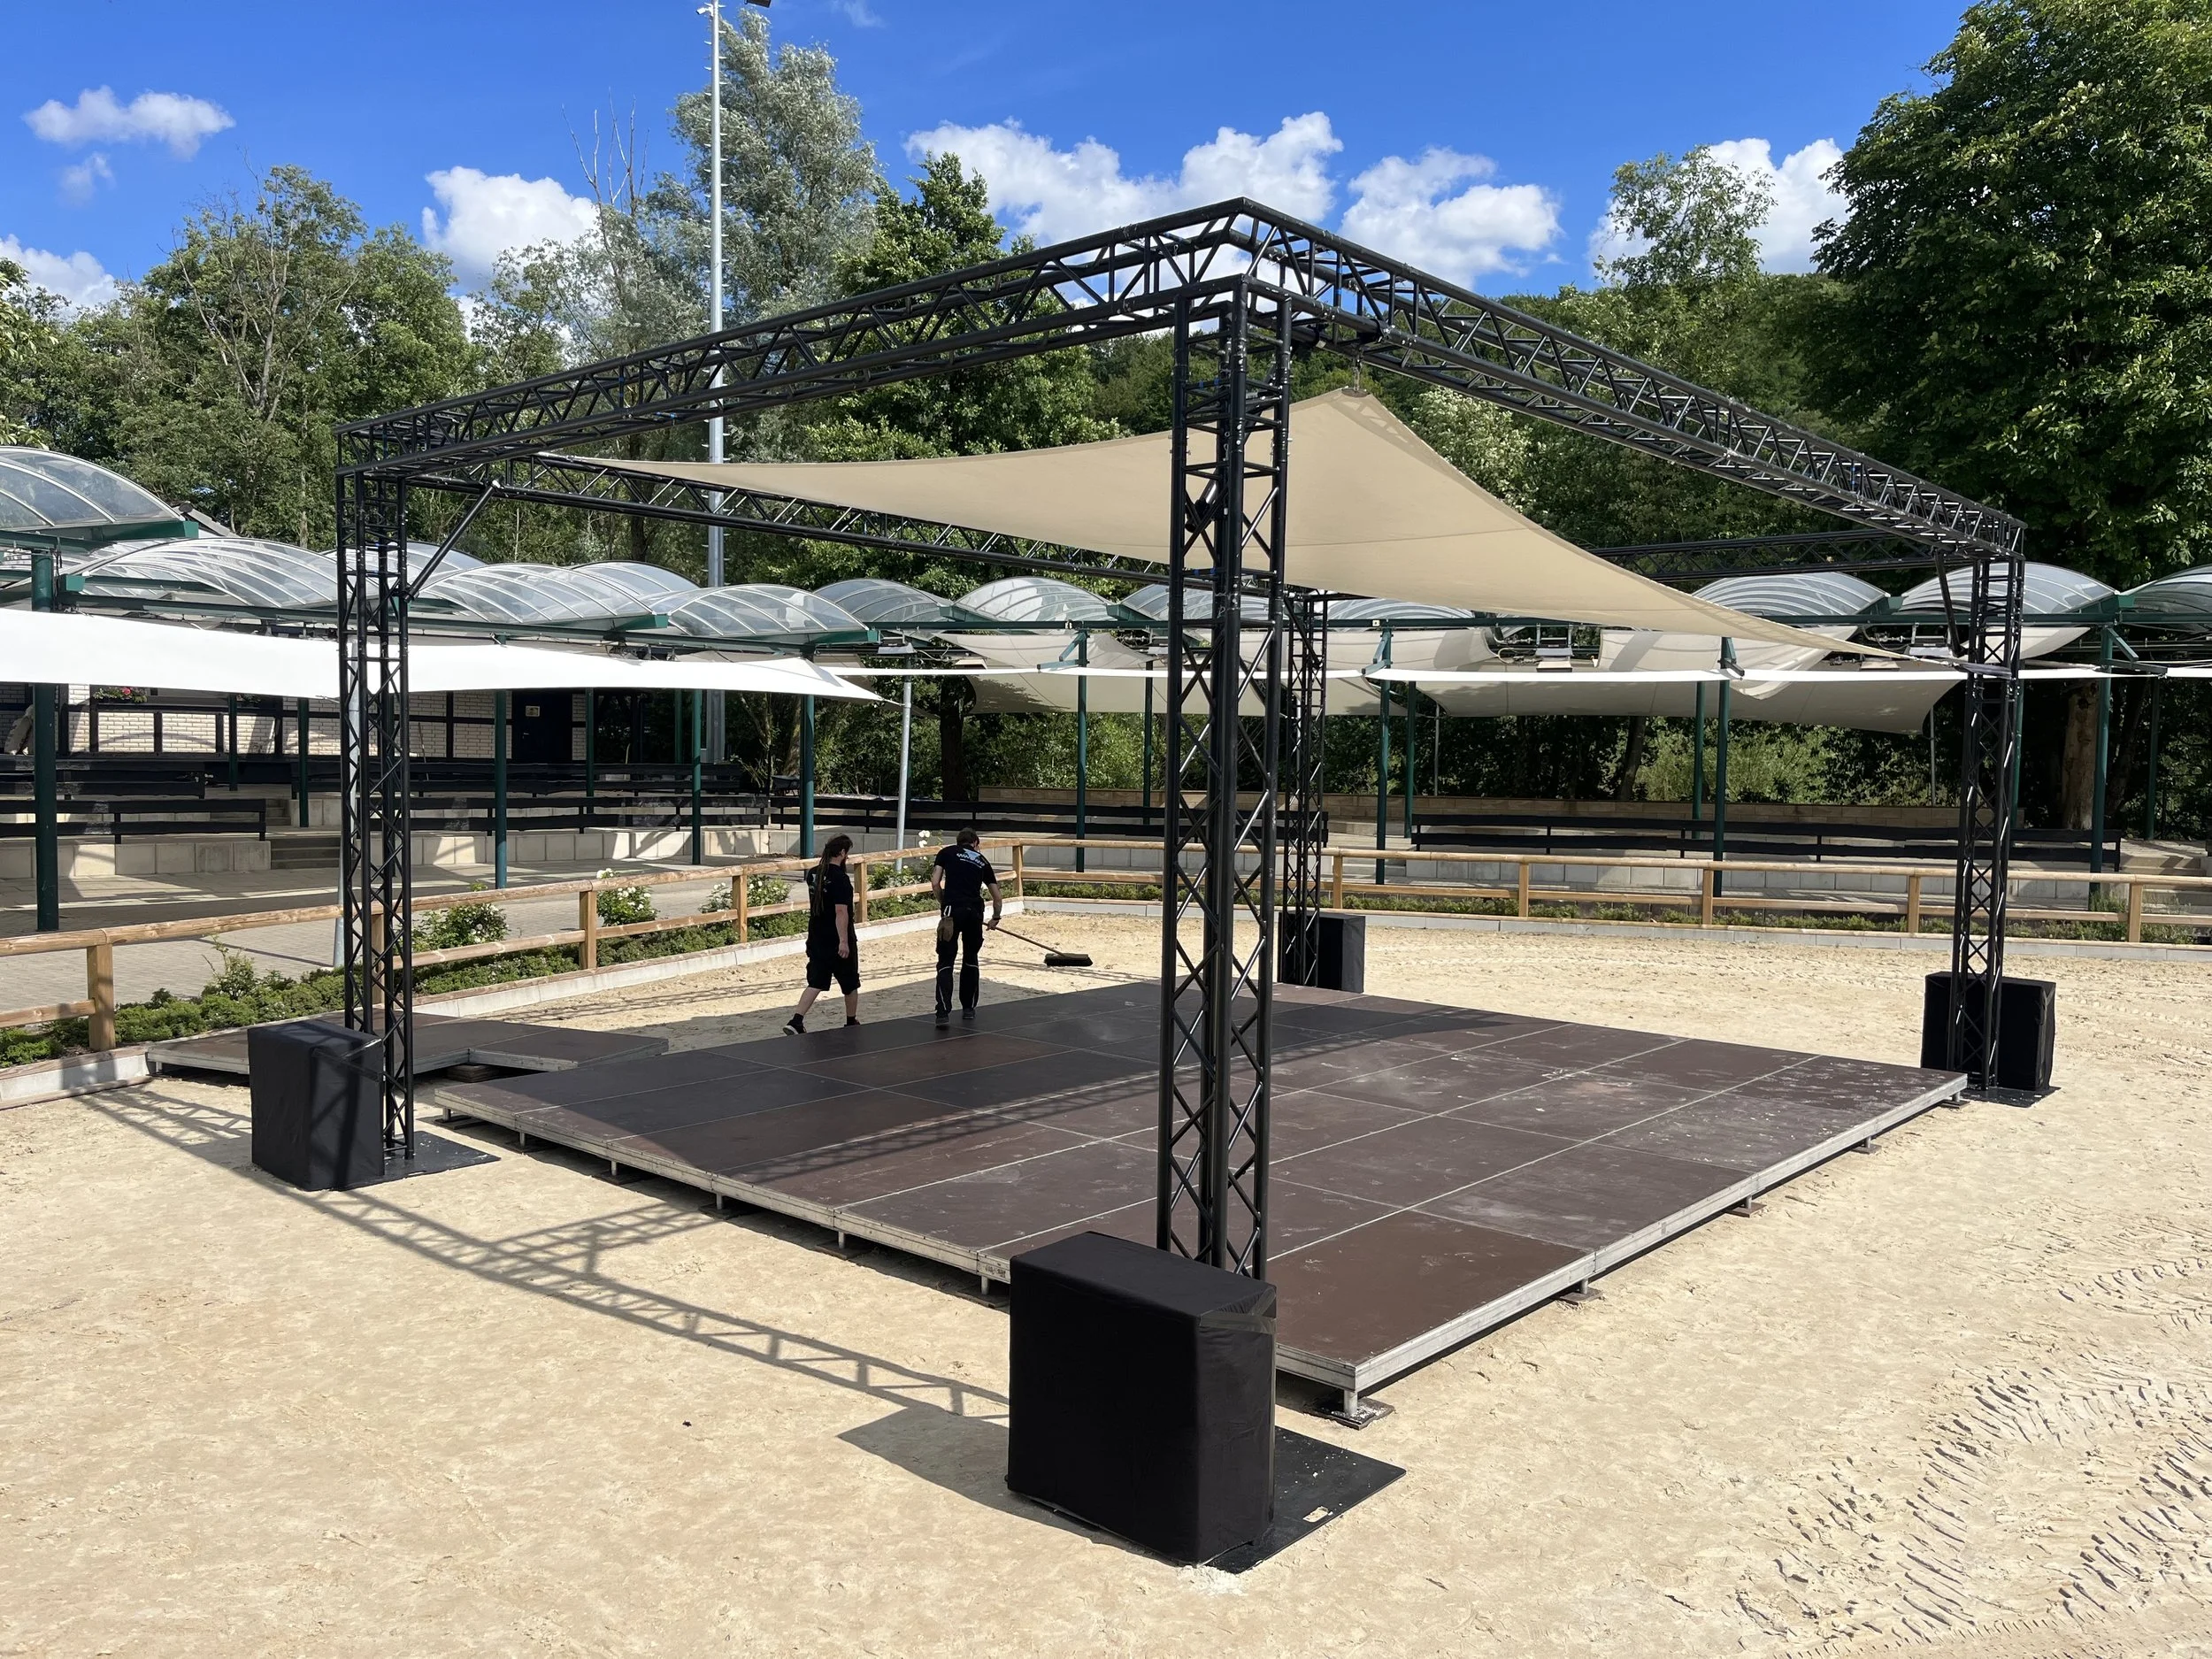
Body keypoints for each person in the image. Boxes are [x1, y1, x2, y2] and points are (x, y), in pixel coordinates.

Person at [783, 835, 859, 1034]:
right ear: (842, 853)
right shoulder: (840, 878)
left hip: (817, 934)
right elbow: (841, 911)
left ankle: (796, 1020)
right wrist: (844, 941)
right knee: (850, 981)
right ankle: (851, 1020)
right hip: (836, 936)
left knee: (816, 981)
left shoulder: (814, 874)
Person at [930, 827, 1001, 1025]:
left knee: (946, 961)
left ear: (958, 841)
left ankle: (943, 1011)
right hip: (974, 914)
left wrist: (944, 902)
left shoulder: (946, 852)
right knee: (970, 959)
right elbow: (997, 897)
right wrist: (996, 917)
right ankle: (968, 1008)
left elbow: (935, 882)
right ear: (976, 843)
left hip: (951, 912)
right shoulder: (982, 861)